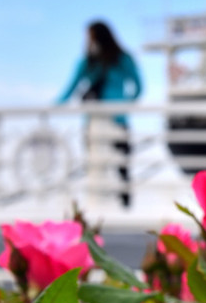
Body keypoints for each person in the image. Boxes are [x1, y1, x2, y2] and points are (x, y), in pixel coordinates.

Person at [58, 20, 143, 206]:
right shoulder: (120, 58)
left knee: (103, 164)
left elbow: (70, 89)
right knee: (119, 165)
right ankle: (122, 204)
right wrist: (124, 103)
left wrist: (55, 105)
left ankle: (109, 203)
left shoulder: (91, 61)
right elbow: (137, 87)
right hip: (113, 118)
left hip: (99, 119)